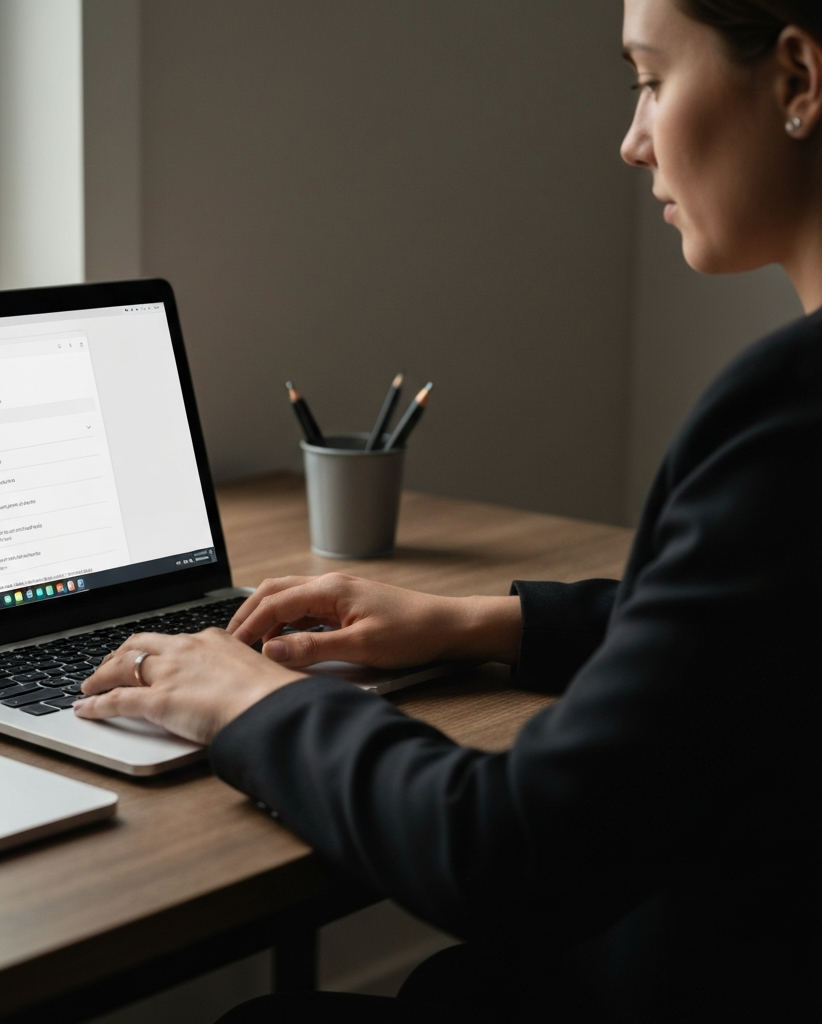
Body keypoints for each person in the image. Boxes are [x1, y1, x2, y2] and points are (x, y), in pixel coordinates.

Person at [75, 1, 821, 1020]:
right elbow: (760, 632)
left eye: (648, 79)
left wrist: (250, 702)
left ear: (797, 81)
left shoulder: (789, 413)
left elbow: (513, 851)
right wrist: (476, 621)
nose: (630, 140)